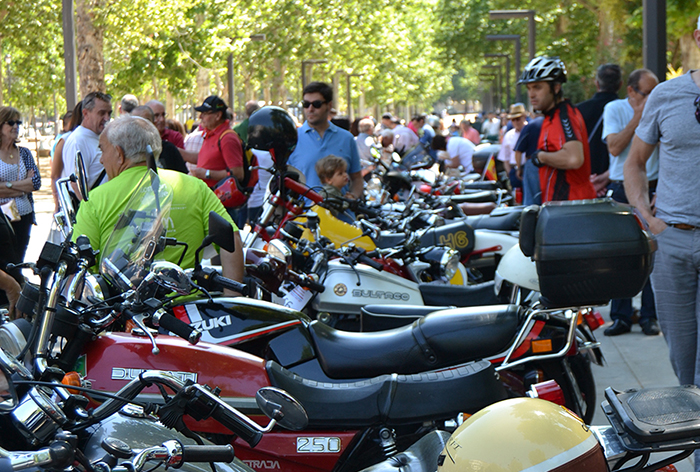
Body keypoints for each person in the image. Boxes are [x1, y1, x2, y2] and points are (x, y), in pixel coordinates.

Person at [71, 116, 243, 291]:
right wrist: (233, 298)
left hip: (125, 311)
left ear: (119, 153)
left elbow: (77, 263)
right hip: (189, 309)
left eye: (102, 150)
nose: (101, 160)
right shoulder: (194, 186)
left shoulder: (96, 198)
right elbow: (231, 238)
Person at [624, 17, 700, 406]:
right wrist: (648, 219)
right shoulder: (668, 95)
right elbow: (634, 162)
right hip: (672, 239)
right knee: (684, 363)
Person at [602, 68, 660, 337]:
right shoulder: (615, 108)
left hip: (655, 187)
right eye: (647, 93)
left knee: (653, 253)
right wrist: (639, 116)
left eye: (655, 93)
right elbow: (614, 147)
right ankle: (621, 316)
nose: (652, 98)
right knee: (620, 256)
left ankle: (650, 315)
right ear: (631, 91)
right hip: (621, 188)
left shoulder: (662, 108)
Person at [518, 56, 596, 202]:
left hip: (570, 208)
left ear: (556, 87)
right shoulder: (551, 117)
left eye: (537, 87)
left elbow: (574, 159)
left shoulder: (564, 116)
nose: (531, 94)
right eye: (528, 88)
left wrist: (540, 157)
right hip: (559, 207)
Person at [288, 82, 363, 199]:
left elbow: (357, 178)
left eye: (316, 104)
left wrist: (353, 197)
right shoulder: (291, 139)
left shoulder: (347, 138)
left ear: (329, 105)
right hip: (305, 215)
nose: (310, 109)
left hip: (341, 216)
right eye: (306, 104)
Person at [187, 95, 246, 223]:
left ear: (218, 116)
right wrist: (176, 151)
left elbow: (238, 174)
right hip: (211, 202)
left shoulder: (227, 137)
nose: (200, 117)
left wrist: (207, 174)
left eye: (204, 113)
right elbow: (205, 159)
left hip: (222, 206)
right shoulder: (212, 134)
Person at [0, 106, 42, 260]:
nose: (16, 126)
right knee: (5, 262)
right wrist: (23, 186)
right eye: (11, 122)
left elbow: (36, 182)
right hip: (2, 218)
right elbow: (29, 184)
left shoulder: (24, 152)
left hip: (24, 216)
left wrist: (6, 185)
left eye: (18, 122)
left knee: (19, 259)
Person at [576, 63, 623, 196]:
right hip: (616, 182)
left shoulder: (578, 111)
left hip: (584, 179)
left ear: (597, 83)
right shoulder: (627, 111)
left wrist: (591, 181)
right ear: (620, 84)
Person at [63, 91, 112, 190]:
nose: (107, 118)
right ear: (85, 113)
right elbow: (77, 186)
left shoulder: (101, 136)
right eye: (101, 113)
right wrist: (91, 206)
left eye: (109, 113)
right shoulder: (78, 141)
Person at [131, 105, 188, 173]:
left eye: (146, 121)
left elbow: (183, 175)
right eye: (136, 123)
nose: (161, 119)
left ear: (153, 123)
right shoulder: (124, 151)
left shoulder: (169, 149)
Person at [497, 104, 528, 189]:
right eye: (513, 120)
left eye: (518, 119)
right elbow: (505, 157)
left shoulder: (531, 130)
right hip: (514, 170)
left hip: (528, 169)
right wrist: (510, 172)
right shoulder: (508, 135)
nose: (515, 122)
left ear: (524, 117)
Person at [315, 154, 352, 222]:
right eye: (340, 174)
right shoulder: (330, 191)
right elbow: (339, 207)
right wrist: (348, 201)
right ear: (328, 180)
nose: (345, 175)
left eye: (345, 171)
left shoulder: (336, 191)